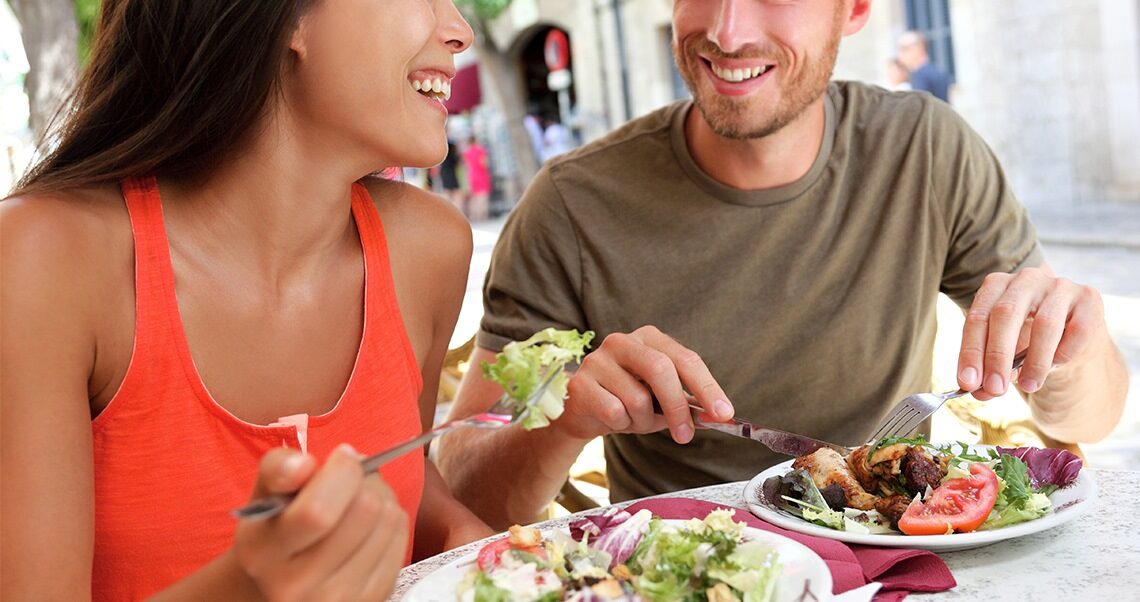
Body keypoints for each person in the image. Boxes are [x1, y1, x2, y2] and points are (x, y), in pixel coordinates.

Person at [435, 0, 1129, 529]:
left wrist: (1071, 351)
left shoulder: (926, 151)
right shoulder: (570, 204)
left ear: (854, 9)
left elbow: (1093, 419)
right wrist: (567, 418)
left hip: (892, 564)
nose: (729, 32)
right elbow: (464, 496)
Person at [0, 1, 493, 600]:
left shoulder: (429, 248)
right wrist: (246, 587)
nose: (459, 31)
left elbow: (405, 468)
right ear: (287, 19)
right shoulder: (42, 260)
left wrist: (457, 535)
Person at [897, 30, 952, 103]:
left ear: (920, 48)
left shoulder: (922, 75)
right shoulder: (936, 71)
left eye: (905, 48)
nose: (901, 53)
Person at [437, 138, 464, 211]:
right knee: (455, 193)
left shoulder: (443, 156)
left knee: (447, 192)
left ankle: (448, 209)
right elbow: (458, 163)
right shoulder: (452, 156)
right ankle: (455, 209)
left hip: (444, 173)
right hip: (451, 174)